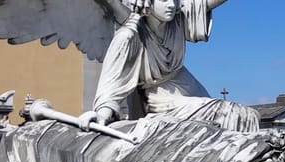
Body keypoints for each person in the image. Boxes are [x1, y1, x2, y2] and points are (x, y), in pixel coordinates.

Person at [80, 0, 259, 132]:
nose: (172, 5)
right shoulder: (130, 36)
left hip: (185, 83)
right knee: (234, 115)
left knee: (248, 116)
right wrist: (102, 115)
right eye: (164, 0)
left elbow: (207, 2)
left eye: (174, 0)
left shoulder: (177, 18)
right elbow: (112, 82)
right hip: (161, 97)